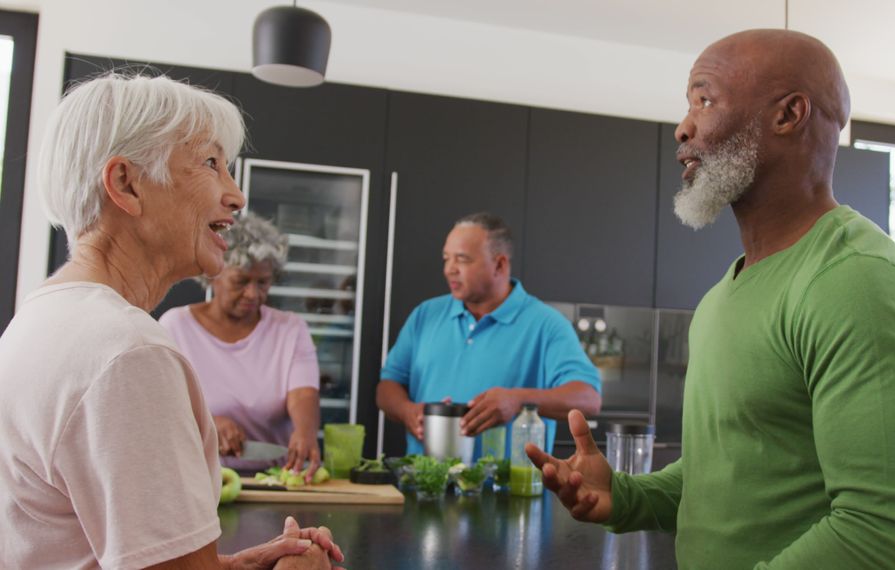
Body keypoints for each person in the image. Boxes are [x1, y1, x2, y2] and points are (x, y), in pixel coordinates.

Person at [527, 29, 895, 569]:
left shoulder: (858, 284)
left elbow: (882, 540)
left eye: (705, 99)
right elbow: (731, 468)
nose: (683, 126)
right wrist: (628, 497)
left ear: (788, 114)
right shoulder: (725, 294)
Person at [0, 73, 343, 569]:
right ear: (126, 184)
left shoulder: (37, 320)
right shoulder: (128, 353)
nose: (236, 196)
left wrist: (232, 565)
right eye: (211, 164)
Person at [376, 212, 602, 458]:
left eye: (462, 259)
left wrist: (518, 400)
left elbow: (588, 399)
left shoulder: (546, 324)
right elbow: (387, 387)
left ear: (499, 264)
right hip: (425, 484)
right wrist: (407, 410)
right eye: (446, 258)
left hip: (509, 490)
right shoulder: (425, 315)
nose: (449, 269)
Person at [160, 213, 323, 480]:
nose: (253, 294)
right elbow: (161, 408)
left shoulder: (291, 329)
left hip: (274, 477)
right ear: (213, 274)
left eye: (263, 282)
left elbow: (304, 395)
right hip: (196, 479)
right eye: (241, 281)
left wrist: (305, 432)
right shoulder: (175, 327)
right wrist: (208, 422)